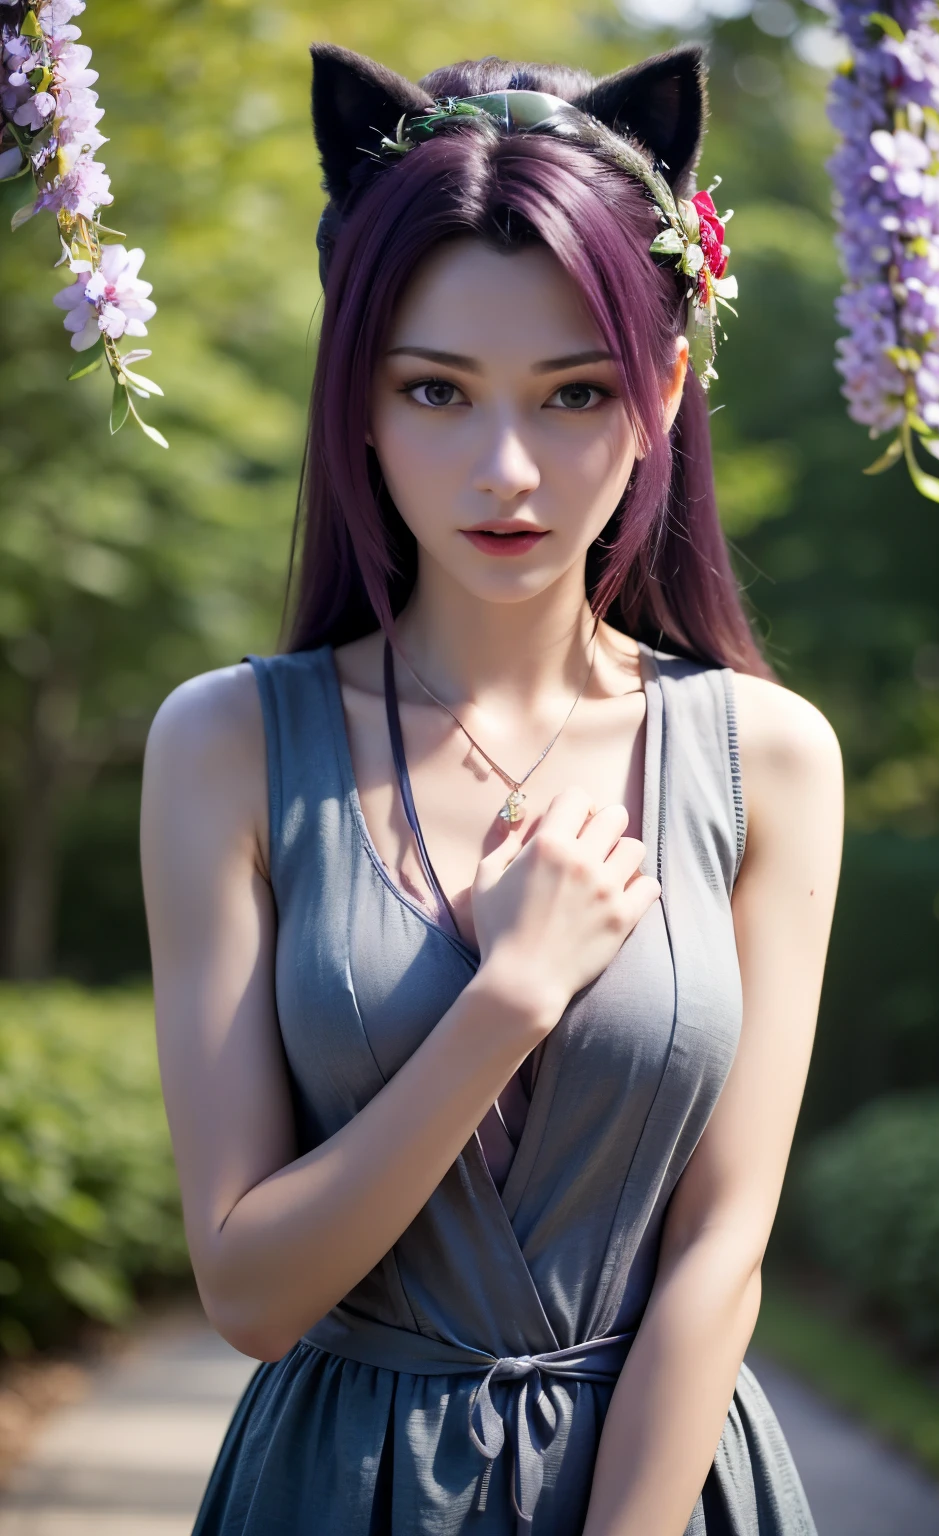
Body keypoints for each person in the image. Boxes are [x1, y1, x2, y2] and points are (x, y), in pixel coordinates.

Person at [140, 39, 844, 1536]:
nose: (507, 472)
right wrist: (507, 997)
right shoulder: (228, 746)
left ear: (660, 387)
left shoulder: (766, 757)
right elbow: (249, 1288)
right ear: (362, 402)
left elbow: (722, 1250)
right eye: (438, 392)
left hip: (669, 1492)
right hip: (337, 1492)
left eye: (572, 393)